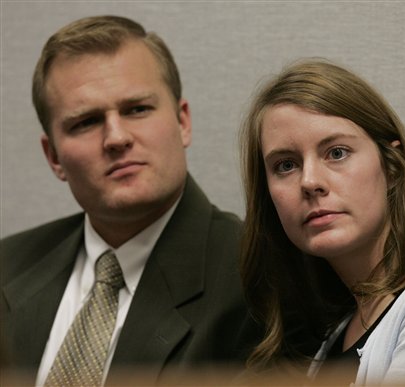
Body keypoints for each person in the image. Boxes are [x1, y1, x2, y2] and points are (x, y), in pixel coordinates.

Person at [0, 15, 258, 386]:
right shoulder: (7, 266)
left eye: (137, 109)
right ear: (54, 156)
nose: (116, 138)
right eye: (85, 121)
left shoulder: (257, 275)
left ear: (182, 122)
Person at [239, 59, 405, 385]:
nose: (310, 181)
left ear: (392, 166)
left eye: (336, 153)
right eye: (286, 165)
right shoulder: (338, 334)